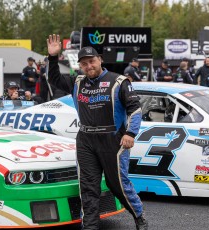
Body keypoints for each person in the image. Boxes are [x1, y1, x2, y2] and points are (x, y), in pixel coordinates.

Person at [46, 34, 147, 230]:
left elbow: (134, 108)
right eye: (84, 63)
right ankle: (90, 226)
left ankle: (139, 216)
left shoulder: (119, 81)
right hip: (86, 140)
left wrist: (130, 133)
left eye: (91, 61)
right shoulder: (77, 82)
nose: (88, 66)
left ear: (100, 59)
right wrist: (52, 57)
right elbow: (54, 78)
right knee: (88, 186)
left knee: (117, 184)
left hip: (113, 140)